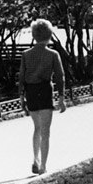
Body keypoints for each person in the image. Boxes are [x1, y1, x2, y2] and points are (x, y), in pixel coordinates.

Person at [17, 18, 66, 175]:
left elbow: (21, 77)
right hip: (45, 91)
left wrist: (21, 98)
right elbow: (60, 77)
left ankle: (35, 159)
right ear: (50, 35)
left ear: (34, 35)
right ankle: (43, 166)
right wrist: (61, 97)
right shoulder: (53, 54)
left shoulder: (26, 54)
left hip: (31, 92)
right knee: (46, 131)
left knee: (36, 128)